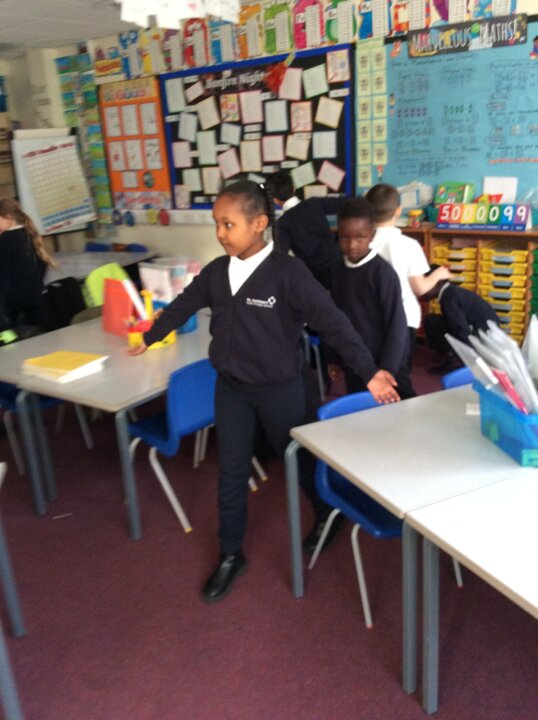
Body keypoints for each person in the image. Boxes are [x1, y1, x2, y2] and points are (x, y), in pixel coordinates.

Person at [129, 180, 400, 604]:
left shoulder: (288, 273)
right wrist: (151, 334)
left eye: (229, 224)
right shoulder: (216, 272)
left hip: (281, 389)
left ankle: (326, 511)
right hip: (232, 389)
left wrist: (369, 372)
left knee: (300, 460)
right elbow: (182, 304)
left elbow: (334, 322)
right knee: (231, 472)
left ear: (259, 224)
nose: (220, 233)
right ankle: (230, 554)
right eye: (217, 223)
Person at [365, 183, 452, 396]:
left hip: (369, 318)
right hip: (403, 318)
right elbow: (420, 288)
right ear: (398, 210)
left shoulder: (362, 243)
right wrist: (439, 274)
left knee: (373, 369)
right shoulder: (408, 245)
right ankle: (405, 405)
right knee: (399, 372)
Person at [326, 197, 409, 395]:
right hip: (354, 359)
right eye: (344, 238)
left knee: (391, 407)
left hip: (384, 362)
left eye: (360, 238)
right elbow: (333, 317)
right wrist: (332, 356)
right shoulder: (337, 270)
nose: (352, 245)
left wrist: (387, 368)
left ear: (371, 236)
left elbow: (397, 324)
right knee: (359, 405)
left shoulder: (382, 273)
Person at [265, 170, 344, 289]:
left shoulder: (283, 223)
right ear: (294, 187)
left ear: (274, 200)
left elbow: (280, 255)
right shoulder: (313, 203)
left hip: (316, 276)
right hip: (338, 264)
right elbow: (345, 203)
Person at [421, 265, 501, 374]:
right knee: (432, 320)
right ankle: (451, 355)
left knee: (433, 322)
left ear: (439, 283)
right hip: (485, 329)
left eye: (427, 283)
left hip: (483, 333)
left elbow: (461, 329)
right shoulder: (450, 292)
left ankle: (455, 361)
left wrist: (467, 356)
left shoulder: (449, 297)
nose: (423, 288)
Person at [0, 198, 56, 333]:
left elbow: (3, 279)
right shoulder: (31, 234)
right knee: (39, 336)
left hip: (12, 307)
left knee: (14, 339)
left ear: (8, 218)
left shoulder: (5, 241)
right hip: (36, 301)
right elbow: (41, 267)